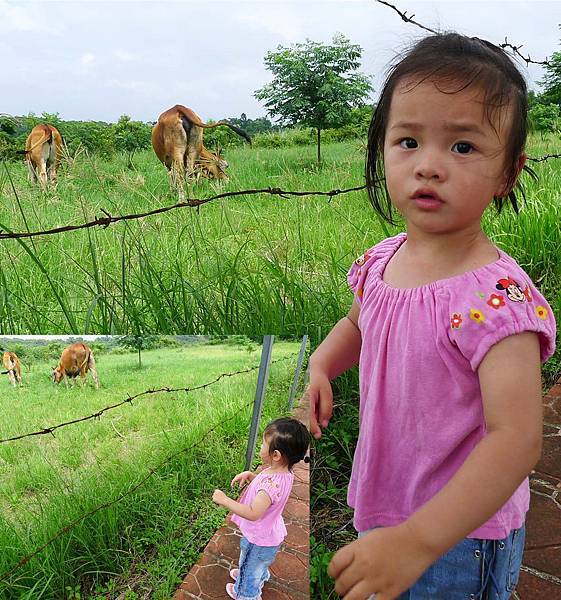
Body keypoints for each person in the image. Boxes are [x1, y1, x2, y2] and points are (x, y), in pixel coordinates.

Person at [308, 33, 556, 600]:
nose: (429, 166)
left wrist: (418, 541)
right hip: (386, 505)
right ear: (382, 150)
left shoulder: (496, 300)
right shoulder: (382, 260)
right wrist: (323, 364)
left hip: (457, 535)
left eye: (463, 147)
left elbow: (516, 439)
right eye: (408, 140)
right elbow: (356, 325)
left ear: (509, 174)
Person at [212, 417, 310, 600]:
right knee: (257, 563)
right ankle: (259, 575)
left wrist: (225, 500)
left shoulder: (270, 485)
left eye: (263, 444)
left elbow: (253, 513)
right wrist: (251, 476)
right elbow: (270, 491)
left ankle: (247, 592)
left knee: (250, 564)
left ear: (276, 455)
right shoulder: (284, 473)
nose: (260, 447)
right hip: (269, 534)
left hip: (259, 539)